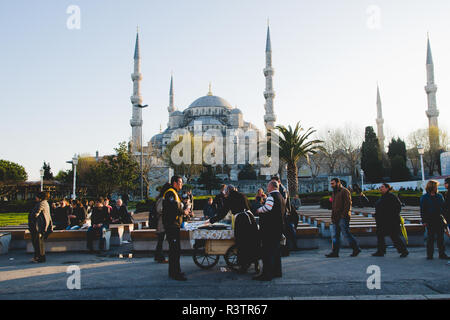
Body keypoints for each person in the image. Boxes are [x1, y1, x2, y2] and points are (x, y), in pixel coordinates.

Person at [205, 185, 260, 274]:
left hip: (241, 221)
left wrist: (211, 220)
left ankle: (243, 266)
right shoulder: (242, 195)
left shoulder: (229, 198)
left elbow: (222, 214)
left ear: (228, 191)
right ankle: (256, 263)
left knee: (242, 243)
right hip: (250, 218)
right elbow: (250, 207)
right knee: (252, 241)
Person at [253, 181, 285, 281]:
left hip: (269, 229)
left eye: (268, 186)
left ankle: (267, 274)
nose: (267, 188)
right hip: (278, 227)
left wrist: (259, 210)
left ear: (271, 187)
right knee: (276, 251)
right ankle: (277, 272)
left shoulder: (271, 196)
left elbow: (268, 208)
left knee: (267, 252)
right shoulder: (280, 196)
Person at [326, 178, 361, 258]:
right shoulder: (334, 192)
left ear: (338, 183)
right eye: (331, 184)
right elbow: (333, 206)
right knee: (335, 235)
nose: (331, 185)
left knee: (346, 234)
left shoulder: (345, 191)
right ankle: (335, 252)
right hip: (335, 217)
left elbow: (348, 204)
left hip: (343, 217)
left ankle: (356, 248)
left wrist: (343, 215)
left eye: (333, 183)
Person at [372, 183, 409, 258]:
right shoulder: (383, 197)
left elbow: (397, 207)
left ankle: (404, 251)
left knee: (394, 236)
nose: (380, 188)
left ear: (387, 188)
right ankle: (381, 251)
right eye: (380, 187)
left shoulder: (391, 197)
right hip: (382, 221)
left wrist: (389, 215)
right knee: (381, 236)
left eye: (382, 187)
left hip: (391, 221)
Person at [163, 175, 188, 281]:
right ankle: (175, 273)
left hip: (175, 225)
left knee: (176, 250)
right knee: (174, 250)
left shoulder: (174, 193)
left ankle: (175, 271)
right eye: (180, 182)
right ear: (174, 183)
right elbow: (174, 208)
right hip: (171, 225)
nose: (181, 184)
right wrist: (184, 212)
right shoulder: (170, 193)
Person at [420, 180, 449, 260]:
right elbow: (423, 210)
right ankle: (430, 255)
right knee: (430, 238)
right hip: (430, 220)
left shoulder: (439, 196)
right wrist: (424, 221)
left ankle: (442, 253)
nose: (437, 187)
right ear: (432, 187)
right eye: (436, 186)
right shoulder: (425, 197)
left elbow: (443, 208)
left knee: (440, 238)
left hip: (439, 218)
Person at [28, 191, 52, 263]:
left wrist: (31, 217)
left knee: (38, 243)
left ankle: (40, 258)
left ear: (40, 197)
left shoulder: (41, 204)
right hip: (41, 226)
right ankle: (37, 257)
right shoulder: (45, 203)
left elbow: (35, 214)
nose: (35, 198)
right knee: (38, 242)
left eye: (36, 196)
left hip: (39, 226)